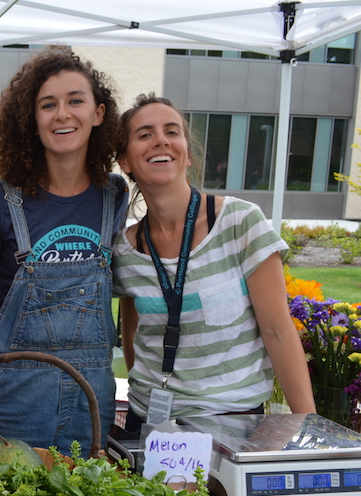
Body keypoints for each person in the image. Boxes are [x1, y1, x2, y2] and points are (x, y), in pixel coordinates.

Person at [112, 94, 315, 432]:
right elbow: (132, 320)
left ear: (187, 154)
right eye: (145, 134)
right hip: (150, 424)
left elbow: (278, 331)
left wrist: (308, 426)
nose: (160, 140)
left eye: (172, 132)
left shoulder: (240, 222)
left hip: (232, 425)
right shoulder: (125, 247)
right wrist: (143, 387)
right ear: (125, 162)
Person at [0, 49, 128, 455]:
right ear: (31, 120)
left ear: (99, 113)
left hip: (92, 400)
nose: (62, 114)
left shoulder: (115, 196)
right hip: (9, 399)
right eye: (47, 105)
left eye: (76, 101)